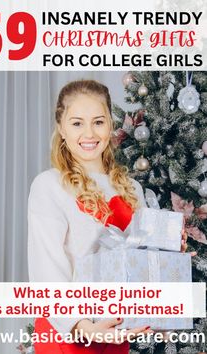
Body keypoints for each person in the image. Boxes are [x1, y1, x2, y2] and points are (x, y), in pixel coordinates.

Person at [28, 79, 187, 354]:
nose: (89, 133)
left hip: (114, 330)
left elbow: (138, 261)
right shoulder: (49, 185)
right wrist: (81, 326)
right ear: (61, 128)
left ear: (110, 126)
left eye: (98, 122)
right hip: (67, 332)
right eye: (77, 123)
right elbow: (47, 269)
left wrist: (171, 253)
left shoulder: (131, 188)